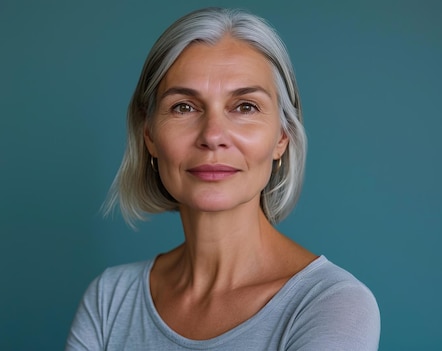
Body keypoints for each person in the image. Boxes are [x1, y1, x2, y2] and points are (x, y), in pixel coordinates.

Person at [66, 7, 380, 350]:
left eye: (245, 106)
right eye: (184, 107)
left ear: (281, 138)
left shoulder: (332, 305)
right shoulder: (110, 298)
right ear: (150, 136)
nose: (213, 135)